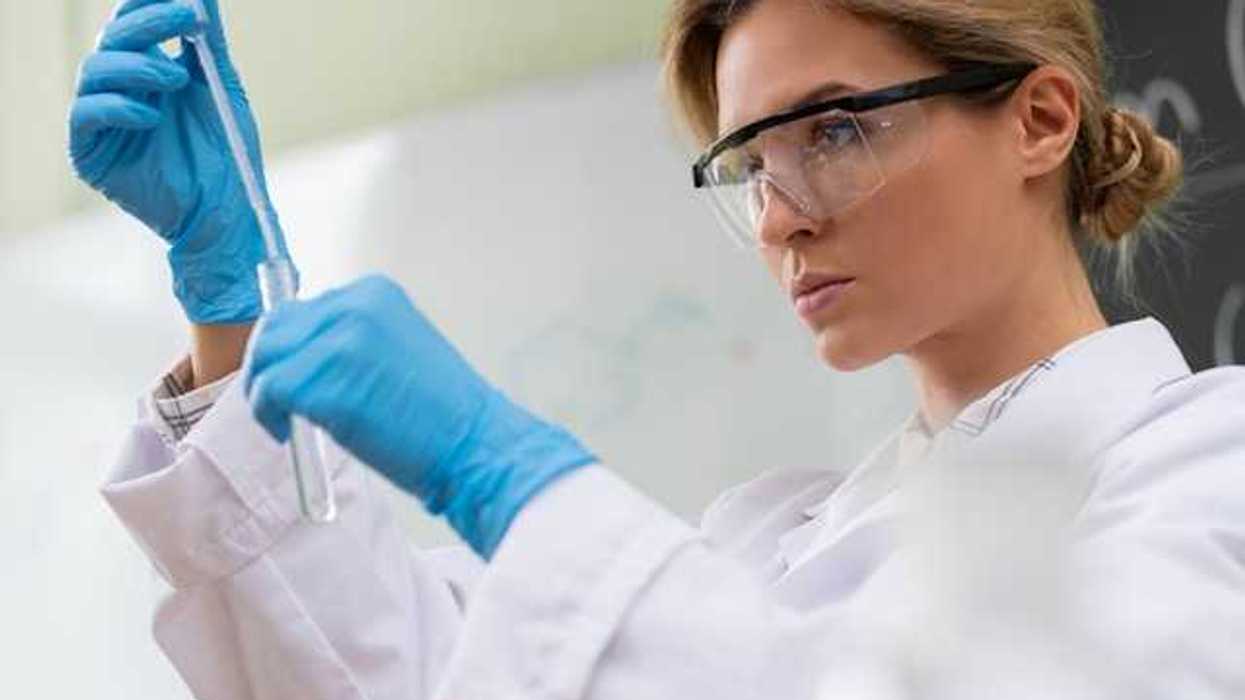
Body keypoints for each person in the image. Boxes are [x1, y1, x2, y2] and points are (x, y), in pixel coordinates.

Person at [70, 0, 1245, 697]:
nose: (782, 214)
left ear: (1039, 119)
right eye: (750, 166)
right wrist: (233, 308)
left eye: (833, 129)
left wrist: (510, 474)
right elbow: (412, 678)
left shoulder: (1207, 463)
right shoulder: (757, 539)